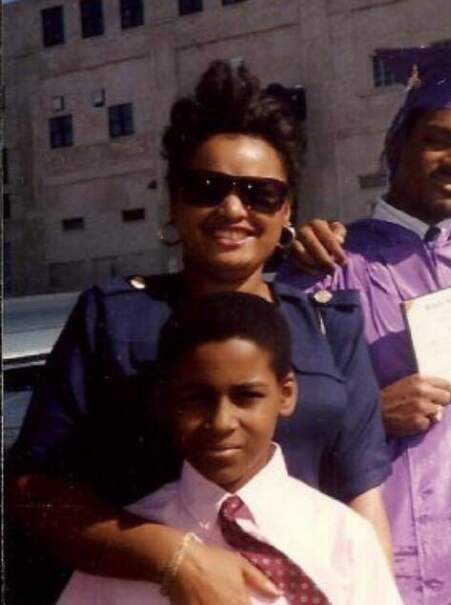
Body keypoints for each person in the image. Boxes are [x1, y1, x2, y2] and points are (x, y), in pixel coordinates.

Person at [6, 61, 391, 605]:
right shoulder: (113, 318)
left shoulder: (330, 323)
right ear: (173, 201)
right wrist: (173, 558)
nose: (233, 209)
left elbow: (362, 494)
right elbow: (34, 491)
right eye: (207, 187)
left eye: (259, 194)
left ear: (287, 211)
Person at [281, 44, 451, 603]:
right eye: (439, 139)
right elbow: (282, 419)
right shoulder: (330, 266)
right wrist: (370, 414)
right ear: (396, 144)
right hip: (408, 557)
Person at [57, 293, 401, 605]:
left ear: (286, 394)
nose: (221, 422)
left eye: (246, 396)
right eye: (196, 399)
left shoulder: (342, 536)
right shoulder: (129, 547)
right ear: (163, 401)